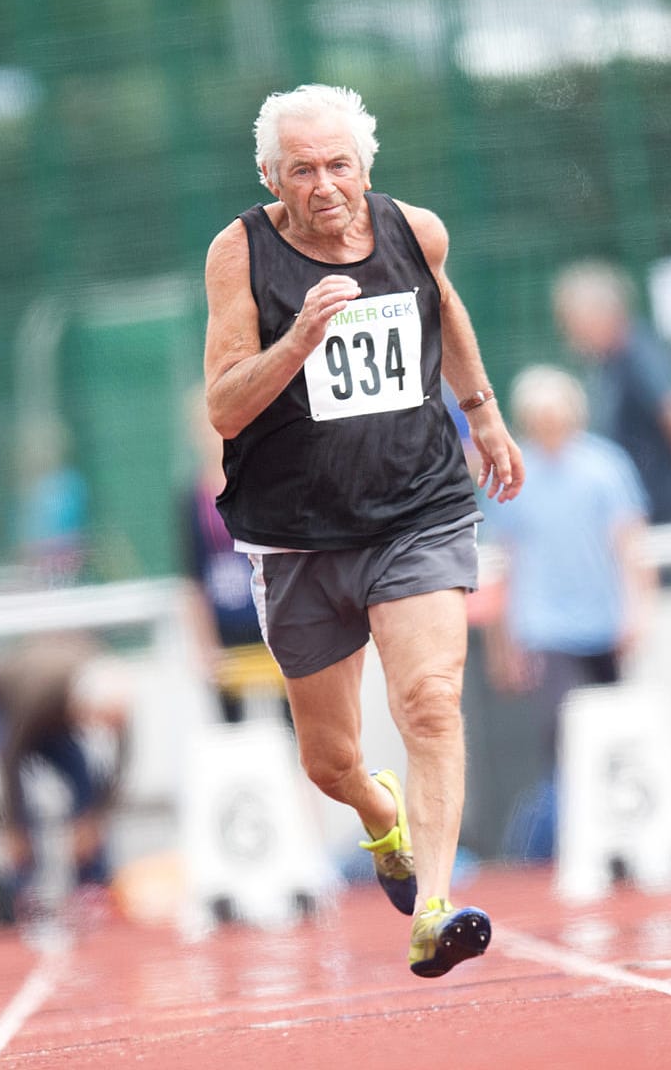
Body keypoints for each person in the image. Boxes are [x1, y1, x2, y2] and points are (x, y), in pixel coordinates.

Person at [202, 83, 523, 977]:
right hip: (298, 532)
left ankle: (435, 905)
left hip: (417, 508)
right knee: (329, 759)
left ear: (365, 166)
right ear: (271, 176)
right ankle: (381, 818)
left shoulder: (415, 230)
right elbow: (226, 407)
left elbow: (443, 307)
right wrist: (300, 338)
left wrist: (483, 410)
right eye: (301, 169)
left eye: (339, 164)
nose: (324, 184)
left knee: (427, 701)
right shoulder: (241, 255)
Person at [479, 365, 654, 860]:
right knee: (559, 733)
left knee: (615, 733)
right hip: (545, 627)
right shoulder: (514, 473)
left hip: (603, 621)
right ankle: (575, 838)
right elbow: (503, 563)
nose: (548, 425)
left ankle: (621, 835)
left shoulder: (606, 466)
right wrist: (503, 642)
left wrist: (637, 611)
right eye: (538, 417)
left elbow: (629, 545)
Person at [553, 259, 671, 523]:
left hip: (656, 508)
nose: (568, 333)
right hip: (634, 508)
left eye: (571, 321)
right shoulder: (609, 362)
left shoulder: (638, 355)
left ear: (599, 314)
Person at [0, 635, 134, 920]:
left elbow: (121, 760)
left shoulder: (114, 696)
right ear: (81, 707)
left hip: (54, 706)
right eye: (96, 720)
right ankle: (23, 891)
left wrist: (95, 820)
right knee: (23, 802)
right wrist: (13, 827)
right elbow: (10, 760)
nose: (100, 730)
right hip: (0, 703)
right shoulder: (37, 697)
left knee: (84, 782)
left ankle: (92, 885)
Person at [177, 392, 287, 725]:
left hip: (267, 617)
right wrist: (205, 645)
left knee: (292, 717)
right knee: (232, 728)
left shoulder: (260, 483)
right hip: (225, 629)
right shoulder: (190, 497)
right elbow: (192, 579)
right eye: (207, 429)